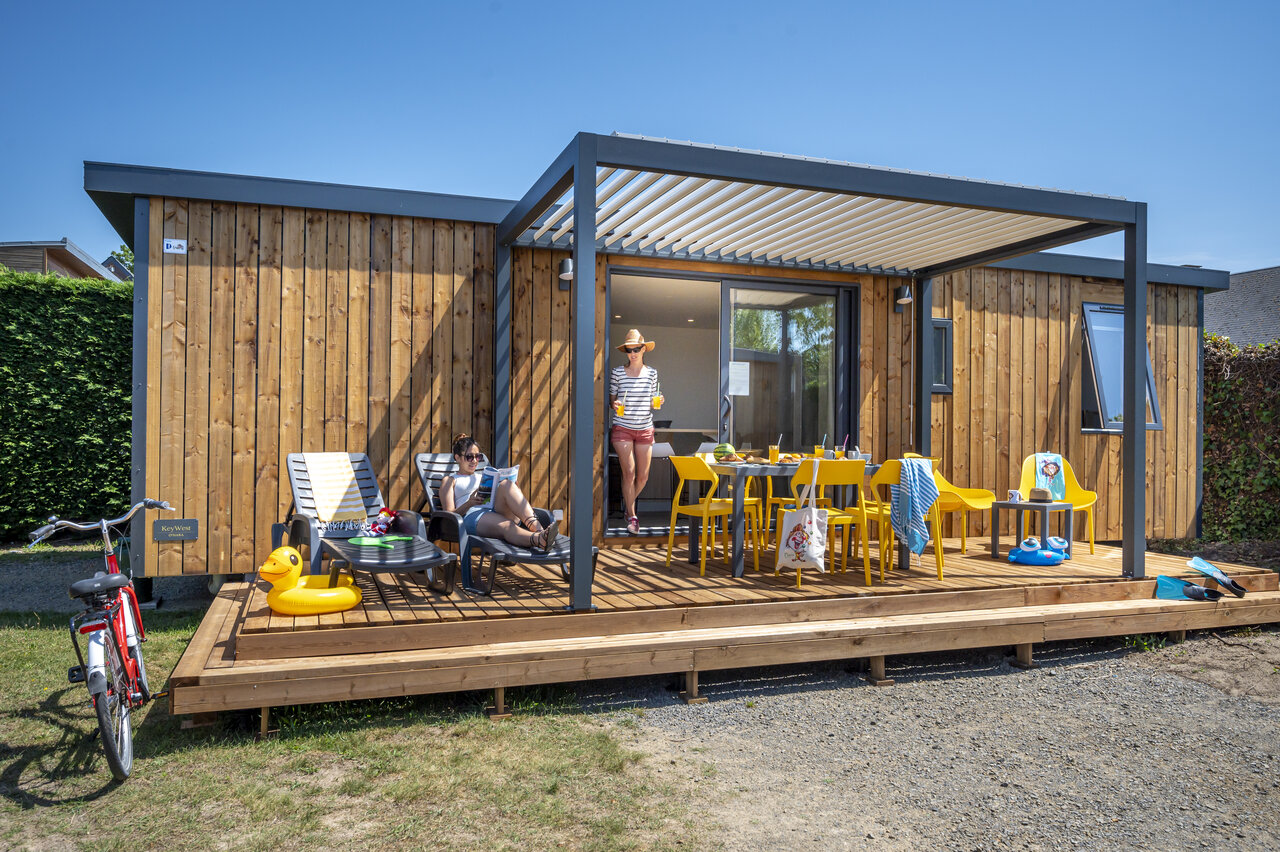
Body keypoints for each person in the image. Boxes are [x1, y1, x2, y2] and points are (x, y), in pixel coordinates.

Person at [439, 434, 559, 550]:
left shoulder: (484, 477)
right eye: (469, 457)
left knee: (506, 484)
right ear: (457, 458)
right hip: (470, 515)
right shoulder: (450, 480)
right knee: (506, 525)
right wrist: (469, 503)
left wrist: (515, 489)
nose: (474, 461)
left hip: (492, 509)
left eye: (478, 457)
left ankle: (540, 531)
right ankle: (539, 540)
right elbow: (449, 515)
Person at [610, 328, 662, 535]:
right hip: (623, 427)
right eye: (629, 350)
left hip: (645, 428)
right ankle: (632, 515)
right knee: (629, 473)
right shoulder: (617, 372)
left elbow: (653, 400)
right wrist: (614, 403)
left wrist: (659, 400)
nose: (632, 353)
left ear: (643, 349)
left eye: (636, 349)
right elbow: (611, 399)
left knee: (643, 477)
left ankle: (627, 501)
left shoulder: (652, 373)